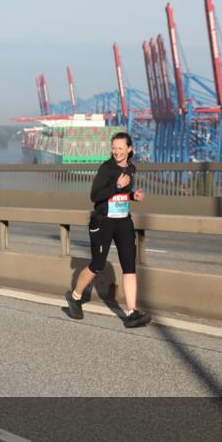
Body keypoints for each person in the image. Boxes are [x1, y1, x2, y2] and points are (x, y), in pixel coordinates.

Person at [64, 131, 151, 329]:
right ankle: (75, 297)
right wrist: (117, 185)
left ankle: (131, 312)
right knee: (97, 264)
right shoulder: (106, 168)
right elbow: (95, 195)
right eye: (114, 148)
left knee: (129, 266)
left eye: (121, 148)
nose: (117, 152)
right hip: (103, 222)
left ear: (130, 149)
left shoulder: (131, 168)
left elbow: (121, 194)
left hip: (123, 222)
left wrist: (132, 197)